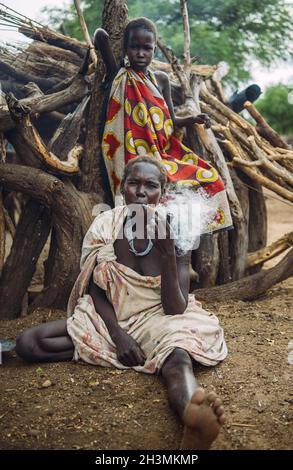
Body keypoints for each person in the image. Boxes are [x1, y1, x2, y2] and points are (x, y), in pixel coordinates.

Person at [16, 156, 227, 450]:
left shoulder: (176, 230)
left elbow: (175, 308)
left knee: (177, 361)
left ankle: (193, 414)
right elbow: (96, 291)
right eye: (134, 184)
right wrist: (118, 336)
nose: (141, 192)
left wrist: (168, 255)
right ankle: (127, 352)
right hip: (113, 318)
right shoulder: (106, 226)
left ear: (162, 194)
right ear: (123, 189)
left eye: (150, 186)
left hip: (162, 319)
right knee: (29, 343)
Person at [94, 17, 232, 234]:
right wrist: (119, 55)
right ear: (126, 48)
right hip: (133, 157)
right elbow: (100, 35)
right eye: (134, 47)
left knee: (209, 175)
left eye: (147, 48)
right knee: (148, 192)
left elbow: (172, 120)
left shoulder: (160, 80)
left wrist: (193, 119)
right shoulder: (119, 75)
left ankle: (198, 229)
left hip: (163, 152)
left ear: (153, 51)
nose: (140, 53)